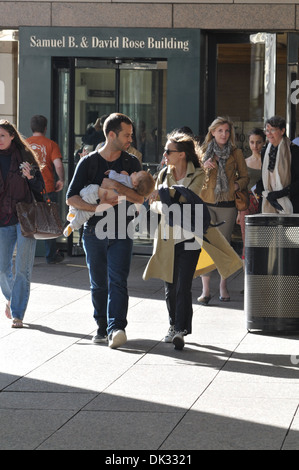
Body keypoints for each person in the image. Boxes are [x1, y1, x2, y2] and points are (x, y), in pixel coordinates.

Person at [66, 113, 144, 349]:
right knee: (99, 283)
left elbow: (139, 198)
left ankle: (116, 328)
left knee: (118, 281)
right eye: (126, 135)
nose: (131, 139)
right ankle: (101, 327)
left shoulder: (132, 163)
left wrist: (116, 186)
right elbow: (71, 198)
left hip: (122, 229)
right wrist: (96, 206)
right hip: (93, 232)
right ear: (112, 135)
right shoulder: (88, 162)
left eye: (131, 134)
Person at [143, 130, 205, 350]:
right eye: (165, 150)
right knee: (169, 284)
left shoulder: (198, 174)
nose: (165, 154)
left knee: (183, 285)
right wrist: (164, 202)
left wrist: (164, 197)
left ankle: (180, 329)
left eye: (169, 151)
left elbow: (190, 199)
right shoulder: (162, 174)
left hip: (190, 235)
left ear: (182, 154)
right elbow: (152, 204)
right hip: (167, 236)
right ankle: (173, 325)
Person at [197, 116, 249, 304]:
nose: (224, 134)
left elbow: (245, 177)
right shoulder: (202, 151)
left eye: (227, 131)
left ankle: (223, 285)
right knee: (207, 245)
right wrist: (204, 166)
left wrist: (236, 185)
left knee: (223, 246)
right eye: (220, 131)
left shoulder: (236, 152)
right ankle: (205, 290)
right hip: (206, 203)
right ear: (212, 132)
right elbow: (194, 177)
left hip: (227, 205)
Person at [0, 120, 44, 328]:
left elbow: (41, 187)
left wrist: (29, 176)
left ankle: (18, 313)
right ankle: (12, 298)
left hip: (24, 217)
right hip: (2, 219)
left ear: (11, 136)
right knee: (1, 269)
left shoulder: (25, 157)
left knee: (22, 269)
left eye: (2, 136)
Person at [63, 169, 155, 237]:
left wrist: (112, 172)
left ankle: (72, 216)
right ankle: (73, 223)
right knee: (85, 214)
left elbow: (114, 177)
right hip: (96, 197)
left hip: (94, 191)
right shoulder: (132, 190)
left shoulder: (127, 180)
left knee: (79, 198)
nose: (134, 172)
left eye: (136, 173)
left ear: (135, 183)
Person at [26, 115, 65, 264]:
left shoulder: (25, 144)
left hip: (29, 189)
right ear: (45, 128)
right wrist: (61, 180)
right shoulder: (51, 144)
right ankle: (51, 256)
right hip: (47, 188)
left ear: (32, 128)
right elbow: (59, 166)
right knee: (50, 222)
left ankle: (28, 256)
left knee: (28, 222)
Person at [256, 115, 299, 214]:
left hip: (290, 202)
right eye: (267, 130)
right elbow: (265, 177)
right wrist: (260, 188)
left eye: (273, 130)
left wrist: (279, 194)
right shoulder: (265, 151)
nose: (269, 134)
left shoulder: (294, 150)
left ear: (282, 131)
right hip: (268, 202)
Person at [237, 128, 265, 261]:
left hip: (264, 203)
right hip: (246, 202)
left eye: (258, 142)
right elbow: (240, 186)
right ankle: (247, 273)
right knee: (246, 239)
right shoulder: (244, 162)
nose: (255, 146)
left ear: (264, 143)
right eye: (252, 142)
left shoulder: (268, 162)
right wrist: (238, 211)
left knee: (262, 238)